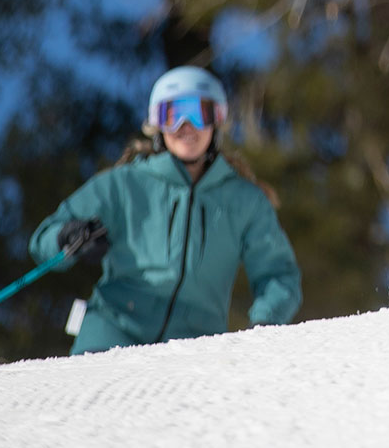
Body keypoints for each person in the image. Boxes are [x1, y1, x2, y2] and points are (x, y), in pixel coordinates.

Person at [31, 65, 301, 354]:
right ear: (157, 124)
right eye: (173, 116)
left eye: (198, 114)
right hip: (111, 332)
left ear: (216, 121)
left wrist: (265, 320)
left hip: (195, 345)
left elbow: (278, 273)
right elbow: (43, 242)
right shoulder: (124, 184)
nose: (186, 126)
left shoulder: (244, 200)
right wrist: (66, 237)